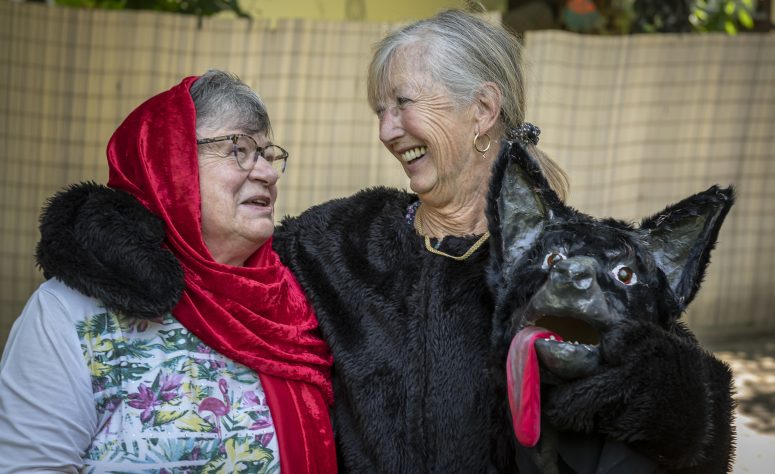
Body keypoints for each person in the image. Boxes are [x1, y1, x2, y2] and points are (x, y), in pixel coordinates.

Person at [21, 10, 734, 473]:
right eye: (379, 109)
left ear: (482, 109)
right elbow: (210, 251)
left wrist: (674, 398)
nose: (386, 129)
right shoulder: (334, 243)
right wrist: (102, 233)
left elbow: (674, 426)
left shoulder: (571, 264)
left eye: (402, 104)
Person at [0, 70, 337, 472]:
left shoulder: (290, 304)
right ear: (169, 167)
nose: (267, 172)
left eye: (268, 154)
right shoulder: (69, 313)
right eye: (239, 150)